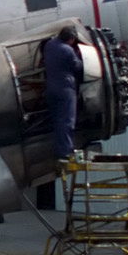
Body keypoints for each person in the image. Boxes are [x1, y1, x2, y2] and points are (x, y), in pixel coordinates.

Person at [43, 26, 84, 158]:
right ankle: (65, 151)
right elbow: (78, 67)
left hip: (51, 88)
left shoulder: (49, 45)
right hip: (65, 88)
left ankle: (58, 149)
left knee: (57, 120)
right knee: (67, 120)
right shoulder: (67, 50)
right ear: (71, 39)